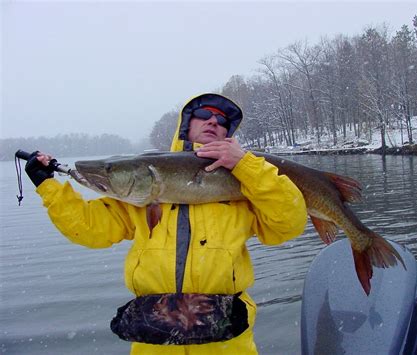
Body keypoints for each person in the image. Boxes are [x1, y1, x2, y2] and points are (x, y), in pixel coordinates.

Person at [25, 93, 307, 354]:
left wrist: (245, 165)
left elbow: (289, 222)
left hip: (226, 338)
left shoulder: (250, 181)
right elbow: (89, 230)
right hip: (155, 336)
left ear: (227, 133)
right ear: (187, 122)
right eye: (204, 114)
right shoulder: (141, 192)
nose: (213, 121)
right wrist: (47, 186)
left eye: (222, 121)